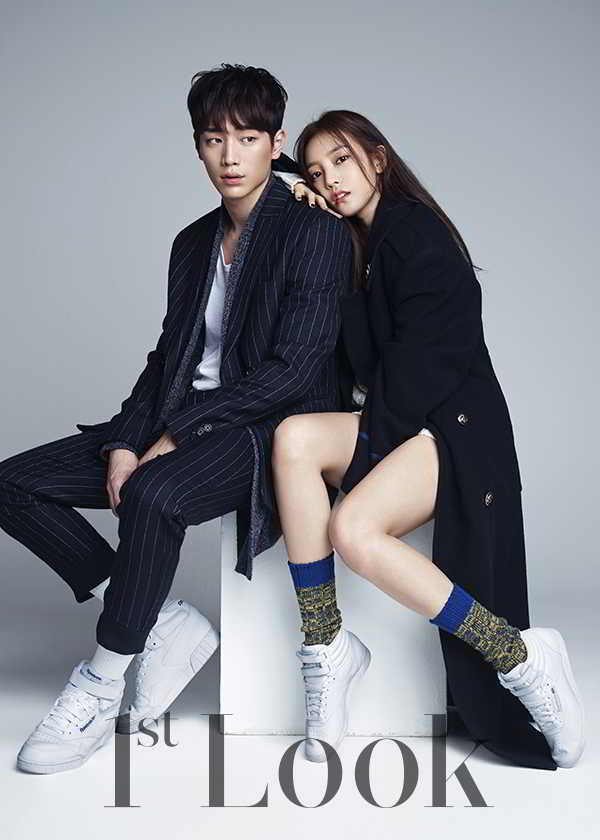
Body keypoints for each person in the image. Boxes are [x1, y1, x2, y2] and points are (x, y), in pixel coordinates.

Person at [0, 66, 352, 774]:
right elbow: (167, 359)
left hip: (266, 426)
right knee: (12, 484)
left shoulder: (315, 232)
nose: (230, 156)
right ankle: (159, 622)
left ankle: (101, 680)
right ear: (197, 147)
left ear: (276, 142)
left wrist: (177, 437)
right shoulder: (192, 242)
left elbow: (293, 370)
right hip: (182, 415)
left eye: (247, 139)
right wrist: (127, 440)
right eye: (214, 139)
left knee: (155, 495)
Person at [269, 110, 585, 770]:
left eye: (342, 161)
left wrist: (370, 457)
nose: (330, 181)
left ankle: (518, 656)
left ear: (379, 158)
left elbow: (429, 364)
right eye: (318, 173)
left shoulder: (416, 234)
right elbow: (352, 361)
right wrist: (300, 200)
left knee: (353, 530)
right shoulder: (357, 244)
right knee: (294, 439)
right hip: (404, 423)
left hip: (454, 430)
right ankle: (327, 646)